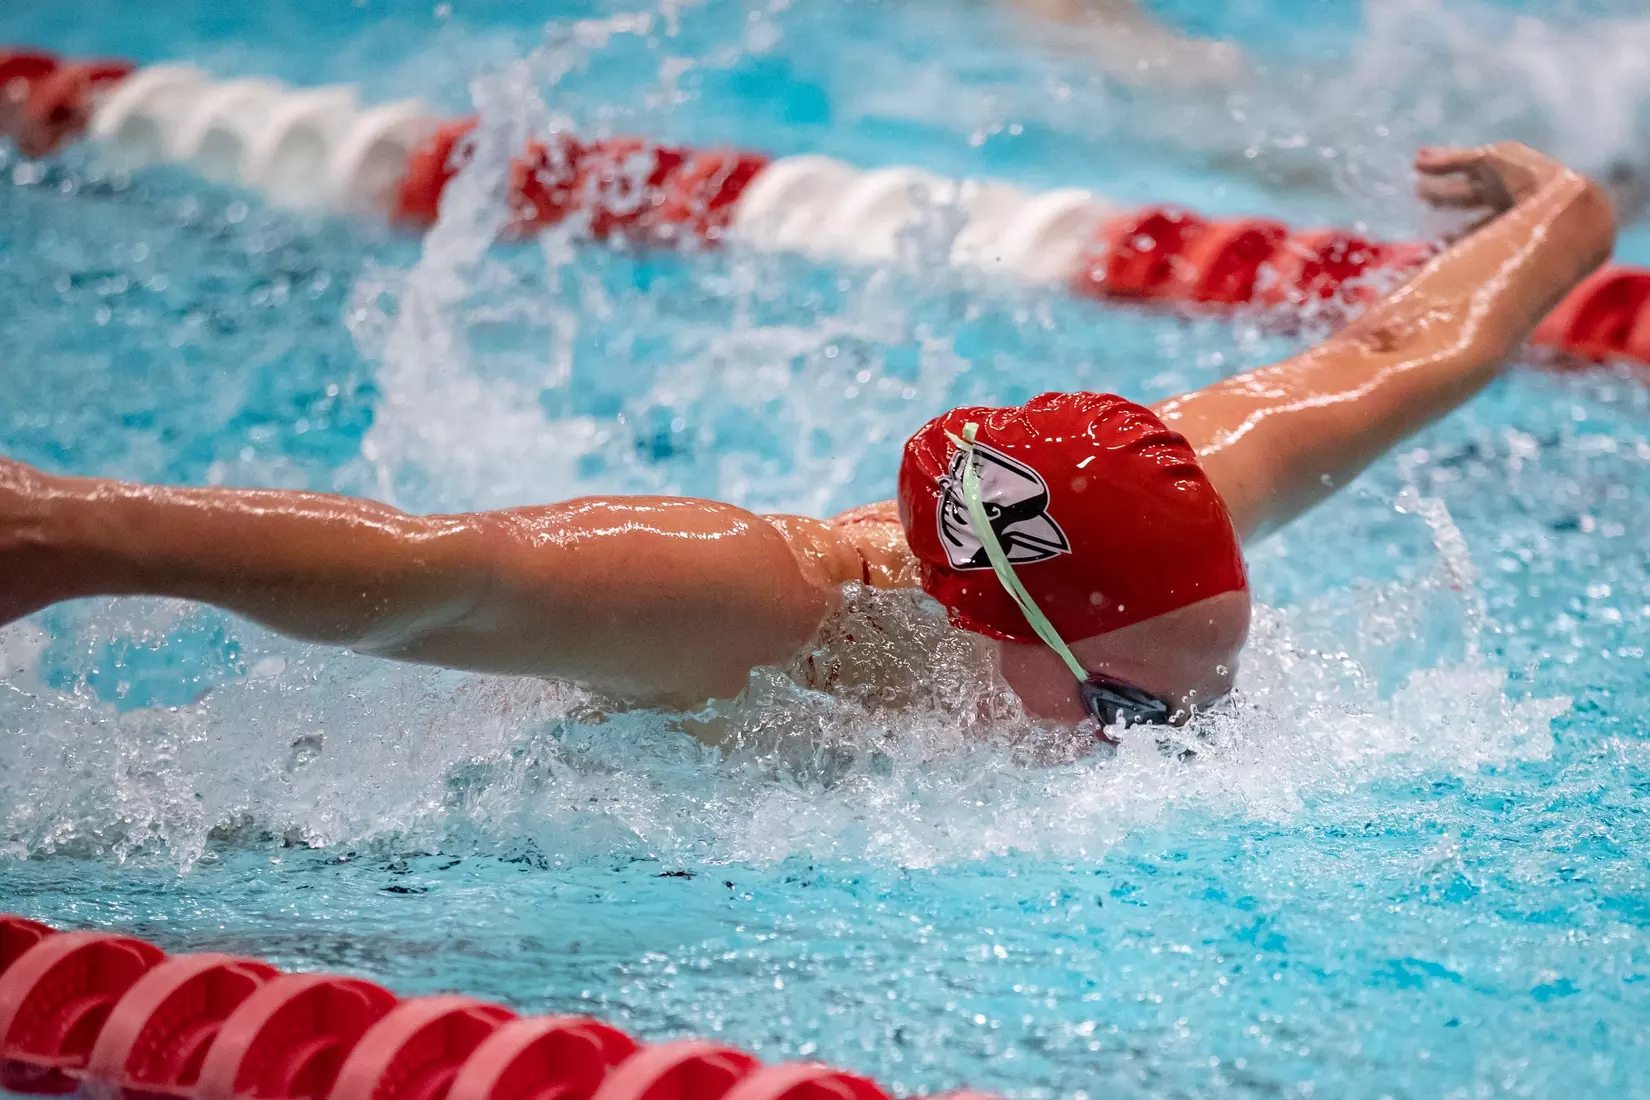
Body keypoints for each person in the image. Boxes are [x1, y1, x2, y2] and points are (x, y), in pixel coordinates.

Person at [0, 143, 1615, 732]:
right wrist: (70, 535)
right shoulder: (746, 605)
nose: (1164, 748)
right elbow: (437, 574)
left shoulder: (1156, 517)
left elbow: (1405, 350)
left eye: (1198, 702)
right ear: (991, 616)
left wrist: (1570, 211)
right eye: (1126, 713)